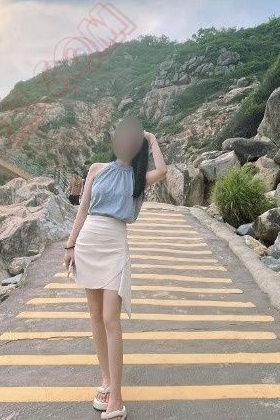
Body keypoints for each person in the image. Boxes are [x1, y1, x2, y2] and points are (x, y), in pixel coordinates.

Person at [63, 117, 167, 420]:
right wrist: (70, 245)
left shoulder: (138, 178)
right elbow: (83, 208)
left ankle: (117, 397)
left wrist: (151, 138)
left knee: (111, 318)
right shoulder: (97, 169)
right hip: (88, 243)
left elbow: (163, 170)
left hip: (114, 244)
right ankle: (106, 380)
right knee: (96, 316)